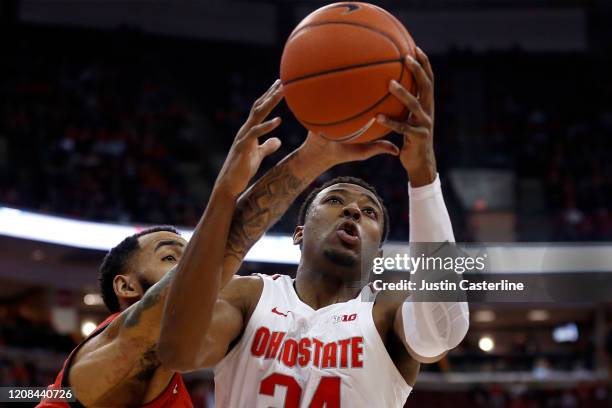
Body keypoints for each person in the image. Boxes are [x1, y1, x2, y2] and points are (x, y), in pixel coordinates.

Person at [38, 76, 396, 407]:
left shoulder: (164, 375)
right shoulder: (120, 349)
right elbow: (217, 257)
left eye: (188, 252)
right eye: (171, 257)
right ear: (127, 286)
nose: (194, 263)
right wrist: (296, 164)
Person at [158, 48, 470, 407]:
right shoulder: (251, 297)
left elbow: (444, 329)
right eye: (334, 200)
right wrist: (225, 191)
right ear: (299, 232)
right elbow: (178, 351)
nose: (353, 208)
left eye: (370, 213)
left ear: (377, 253)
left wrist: (423, 176)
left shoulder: (385, 310)